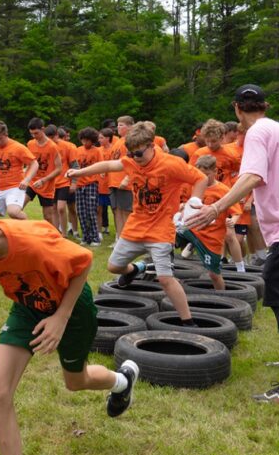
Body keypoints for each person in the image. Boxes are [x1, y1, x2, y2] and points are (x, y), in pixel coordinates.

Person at [0, 183, 139, 455]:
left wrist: (61, 318)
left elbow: (84, 262)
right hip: (27, 306)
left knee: (75, 381)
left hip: (71, 307)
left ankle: (122, 382)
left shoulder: (32, 243)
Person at [187, 85, 279, 404]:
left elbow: (252, 177)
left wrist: (215, 207)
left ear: (237, 108)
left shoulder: (256, 133)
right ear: (264, 106)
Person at [68, 122, 207, 326]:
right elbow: (108, 165)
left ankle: (188, 320)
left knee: (165, 279)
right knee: (114, 266)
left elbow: (201, 178)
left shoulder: (171, 164)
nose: (135, 158)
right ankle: (135, 270)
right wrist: (79, 173)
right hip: (136, 226)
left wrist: (195, 202)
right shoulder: (132, 161)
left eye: (139, 153)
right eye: (131, 154)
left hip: (160, 229)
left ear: (151, 145)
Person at [176, 155, 243, 289]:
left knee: (214, 275)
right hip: (191, 230)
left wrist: (232, 221)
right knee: (166, 235)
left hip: (211, 238)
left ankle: (222, 297)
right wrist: (182, 206)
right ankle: (160, 266)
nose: (203, 178)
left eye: (206, 174)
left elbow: (236, 212)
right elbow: (183, 202)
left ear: (215, 171)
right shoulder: (193, 186)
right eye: (200, 174)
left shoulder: (223, 191)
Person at [0, 121, 39, 220]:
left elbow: (34, 164)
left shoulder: (18, 147)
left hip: (15, 187)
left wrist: (27, 180)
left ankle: (30, 227)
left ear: (6, 134)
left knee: (13, 212)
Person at [24, 118, 62, 227]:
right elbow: (29, 163)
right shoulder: (30, 144)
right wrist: (24, 174)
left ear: (43, 129)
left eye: (36, 133)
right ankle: (24, 231)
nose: (34, 136)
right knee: (17, 208)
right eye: (31, 133)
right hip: (32, 183)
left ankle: (53, 235)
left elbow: (59, 169)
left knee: (48, 217)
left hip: (46, 186)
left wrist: (43, 180)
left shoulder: (52, 147)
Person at [72, 127, 103, 247]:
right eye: (83, 140)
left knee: (91, 211)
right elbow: (74, 166)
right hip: (79, 184)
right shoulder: (77, 150)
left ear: (92, 140)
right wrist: (74, 182)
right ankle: (85, 237)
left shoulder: (97, 151)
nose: (85, 142)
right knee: (81, 212)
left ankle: (95, 237)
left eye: (87, 140)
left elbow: (100, 166)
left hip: (91, 184)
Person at [51, 126, 80, 236]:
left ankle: (69, 232)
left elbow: (75, 166)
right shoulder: (47, 146)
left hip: (64, 181)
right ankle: (56, 233)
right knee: (54, 208)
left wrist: (74, 182)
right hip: (52, 183)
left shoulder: (69, 146)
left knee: (63, 208)